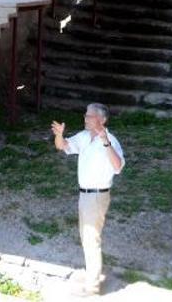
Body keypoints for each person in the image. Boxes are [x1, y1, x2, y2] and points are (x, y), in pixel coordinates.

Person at [51, 103, 125, 297]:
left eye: (89, 116)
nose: (85, 118)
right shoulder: (84, 137)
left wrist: (106, 142)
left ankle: (92, 287)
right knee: (87, 237)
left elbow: (118, 167)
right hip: (85, 195)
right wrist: (59, 134)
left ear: (102, 120)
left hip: (97, 196)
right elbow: (63, 146)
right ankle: (92, 276)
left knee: (91, 238)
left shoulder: (111, 141)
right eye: (85, 115)